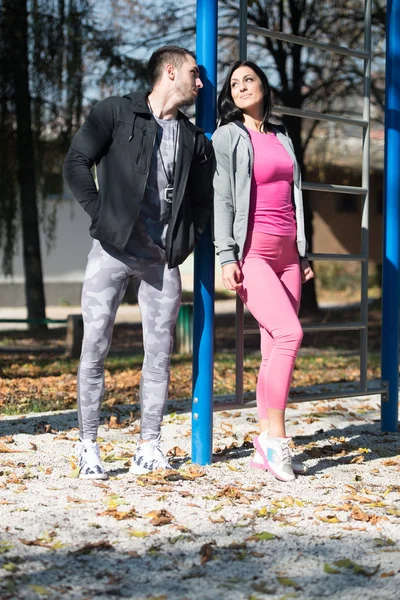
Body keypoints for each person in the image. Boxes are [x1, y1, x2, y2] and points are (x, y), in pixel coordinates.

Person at [63, 46, 214, 479]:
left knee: (160, 354)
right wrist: (100, 213)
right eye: (193, 74)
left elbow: (202, 201)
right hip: (110, 251)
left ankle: (149, 445)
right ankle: (87, 445)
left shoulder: (194, 140)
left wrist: (186, 241)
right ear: (170, 72)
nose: (199, 83)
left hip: (161, 260)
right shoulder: (116, 112)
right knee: (94, 346)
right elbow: (76, 162)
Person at [212, 60, 314, 482]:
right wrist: (225, 256)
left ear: (264, 88)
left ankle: (261, 443)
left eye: (248, 79)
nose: (240, 87)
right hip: (253, 252)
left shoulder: (283, 137)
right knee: (292, 334)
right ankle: (278, 438)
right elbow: (222, 199)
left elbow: (295, 197)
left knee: (274, 348)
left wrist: (304, 253)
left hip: (288, 254)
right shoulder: (227, 136)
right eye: (234, 83)